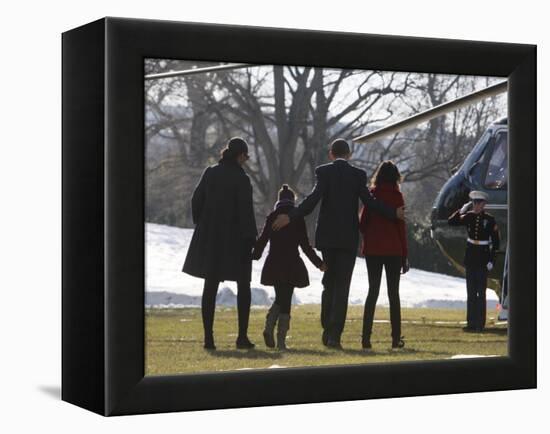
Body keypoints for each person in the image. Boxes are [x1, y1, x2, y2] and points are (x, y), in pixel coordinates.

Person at [272, 139, 405, 349]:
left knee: (329, 283)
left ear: (331, 154)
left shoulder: (324, 172)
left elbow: (313, 199)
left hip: (328, 237)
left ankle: (327, 326)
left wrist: (291, 216)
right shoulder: (358, 175)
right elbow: (370, 203)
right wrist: (393, 213)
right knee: (343, 286)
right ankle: (334, 335)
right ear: (349, 155)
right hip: (348, 239)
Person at [182, 137, 257, 350]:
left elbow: (196, 200)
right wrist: (252, 239)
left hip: (211, 237)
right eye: (245, 156)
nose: (246, 160)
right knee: (243, 286)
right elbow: (246, 213)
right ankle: (242, 337)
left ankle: (209, 338)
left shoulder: (211, 172)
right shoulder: (242, 179)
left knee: (210, 286)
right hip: (236, 240)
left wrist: (202, 224)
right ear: (240, 155)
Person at [252, 185, 327, 350]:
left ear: (278, 200)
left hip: (274, 264)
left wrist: (254, 255)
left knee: (281, 297)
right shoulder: (297, 218)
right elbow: (306, 246)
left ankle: (270, 327)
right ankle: (280, 340)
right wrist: (319, 263)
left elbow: (263, 240)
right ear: (293, 201)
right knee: (285, 299)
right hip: (292, 264)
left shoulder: (272, 217)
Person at [359, 161, 408, 350]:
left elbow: (362, 224)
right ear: (395, 177)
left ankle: (366, 338)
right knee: (393, 294)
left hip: (373, 249)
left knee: (372, 292)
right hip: (394, 250)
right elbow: (401, 228)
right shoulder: (398, 197)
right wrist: (404, 255)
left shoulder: (372, 196)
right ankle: (396, 339)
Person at [448, 191, 500, 332]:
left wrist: (491, 260)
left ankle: (480, 324)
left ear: (484, 204)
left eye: (479, 203)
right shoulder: (469, 216)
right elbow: (451, 222)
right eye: (475, 203)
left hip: (482, 258)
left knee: (480, 293)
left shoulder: (489, 220)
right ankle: (471, 323)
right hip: (471, 257)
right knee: (471, 292)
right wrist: (461, 211)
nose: (476, 206)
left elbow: (496, 243)